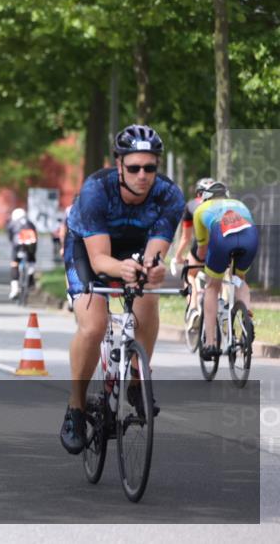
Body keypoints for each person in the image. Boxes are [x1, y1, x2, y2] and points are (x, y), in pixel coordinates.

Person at [59, 124, 184, 455]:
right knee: (94, 325)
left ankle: (135, 382)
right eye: (133, 167)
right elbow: (100, 260)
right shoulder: (95, 191)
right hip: (88, 249)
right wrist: (123, 268)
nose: (142, 175)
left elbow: (156, 252)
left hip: (135, 246)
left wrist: (153, 270)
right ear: (119, 166)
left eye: (150, 168)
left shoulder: (170, 196)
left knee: (148, 297)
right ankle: (75, 408)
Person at [192, 181, 259, 359]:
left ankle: (211, 343)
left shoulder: (200, 209)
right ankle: (247, 319)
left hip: (222, 239)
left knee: (212, 287)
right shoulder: (240, 204)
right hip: (250, 237)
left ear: (205, 197)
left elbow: (202, 249)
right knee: (240, 279)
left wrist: (201, 262)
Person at [173, 177, 217, 312]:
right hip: (224, 244)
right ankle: (225, 307)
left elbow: (186, 238)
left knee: (190, 274)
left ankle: (193, 309)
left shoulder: (192, 204)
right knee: (222, 276)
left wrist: (178, 257)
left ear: (199, 193)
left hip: (201, 247)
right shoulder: (223, 204)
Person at [7, 208, 38, 300]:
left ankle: (14, 288)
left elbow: (10, 236)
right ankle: (30, 275)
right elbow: (36, 235)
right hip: (31, 243)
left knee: (14, 263)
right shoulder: (30, 223)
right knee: (31, 259)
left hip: (18, 244)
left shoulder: (13, 223)